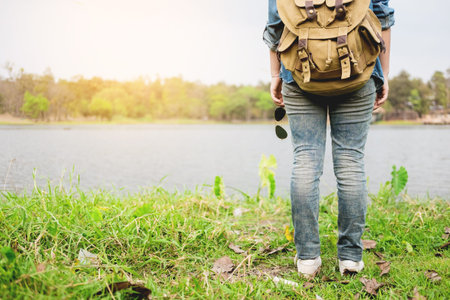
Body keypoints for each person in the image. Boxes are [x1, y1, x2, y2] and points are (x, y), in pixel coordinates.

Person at [263, 0, 395, 278]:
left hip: (298, 73)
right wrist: (383, 75)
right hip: (360, 72)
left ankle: (308, 259)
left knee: (306, 160)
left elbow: (275, 25)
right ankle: (350, 258)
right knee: (350, 161)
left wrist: (276, 74)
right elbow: (382, 18)